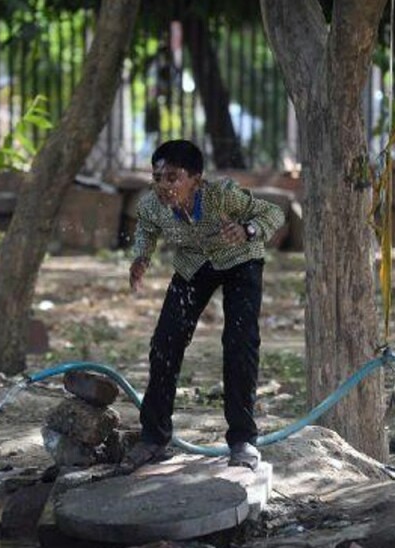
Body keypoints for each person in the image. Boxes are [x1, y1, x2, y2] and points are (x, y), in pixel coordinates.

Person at [121, 139, 285, 473]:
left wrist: (247, 229)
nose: (165, 186)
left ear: (195, 178)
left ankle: (242, 440)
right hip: (193, 266)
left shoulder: (222, 195)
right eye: (158, 178)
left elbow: (273, 213)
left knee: (239, 343)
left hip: (240, 261)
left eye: (173, 177)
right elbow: (146, 230)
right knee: (165, 342)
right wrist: (141, 257)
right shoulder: (152, 205)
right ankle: (154, 439)